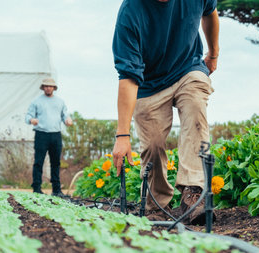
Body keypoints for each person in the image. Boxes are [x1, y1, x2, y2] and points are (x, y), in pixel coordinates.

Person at [112, 0, 219, 225]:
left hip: (188, 68)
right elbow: (128, 77)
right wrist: (122, 135)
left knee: (196, 108)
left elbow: (210, 12)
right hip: (148, 83)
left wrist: (213, 54)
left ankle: (195, 193)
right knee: (153, 144)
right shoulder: (130, 13)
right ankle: (157, 203)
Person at [25, 78, 73, 197]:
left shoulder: (60, 102)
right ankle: (37, 189)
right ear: (43, 88)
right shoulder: (36, 102)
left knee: (56, 162)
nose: (48, 88)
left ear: (54, 88)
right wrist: (32, 120)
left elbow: (64, 115)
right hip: (41, 134)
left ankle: (56, 190)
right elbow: (28, 116)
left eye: (50, 86)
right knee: (38, 162)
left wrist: (67, 120)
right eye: (46, 86)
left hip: (56, 135)